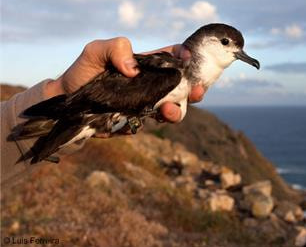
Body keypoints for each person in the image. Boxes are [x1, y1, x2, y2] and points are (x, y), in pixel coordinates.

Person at [0, 37, 205, 186]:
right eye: (225, 43)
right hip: (85, 114)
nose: (238, 53)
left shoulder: (171, 73)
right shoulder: (170, 73)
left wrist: (61, 89)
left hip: (87, 113)